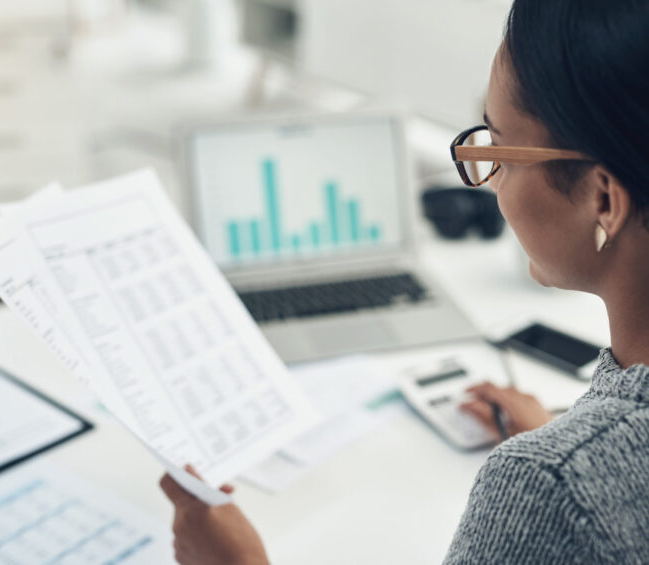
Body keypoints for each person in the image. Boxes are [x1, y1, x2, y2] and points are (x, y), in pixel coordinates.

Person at [159, 0, 649, 562]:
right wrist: (573, 449)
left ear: (603, 199)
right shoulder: (568, 478)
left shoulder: (547, 487)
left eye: (501, 153)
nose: (491, 184)